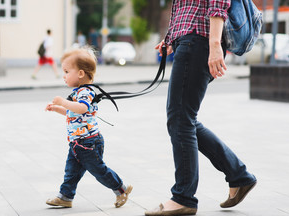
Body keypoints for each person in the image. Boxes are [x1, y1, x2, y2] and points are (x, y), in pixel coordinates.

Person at [145, 1, 257, 215]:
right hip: (190, 40)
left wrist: (214, 45)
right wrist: (172, 37)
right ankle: (239, 176)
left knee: (181, 119)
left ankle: (183, 198)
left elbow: (217, 3)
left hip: (199, 41)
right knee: (184, 119)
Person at [45, 47, 133, 208]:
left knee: (98, 170)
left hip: (88, 142)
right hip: (77, 143)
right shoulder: (78, 92)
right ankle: (65, 196)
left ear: (80, 74)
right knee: (71, 171)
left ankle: (121, 189)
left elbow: (82, 108)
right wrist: (57, 109)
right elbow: (73, 112)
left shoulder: (85, 92)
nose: (63, 76)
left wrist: (62, 101)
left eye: (66, 71)